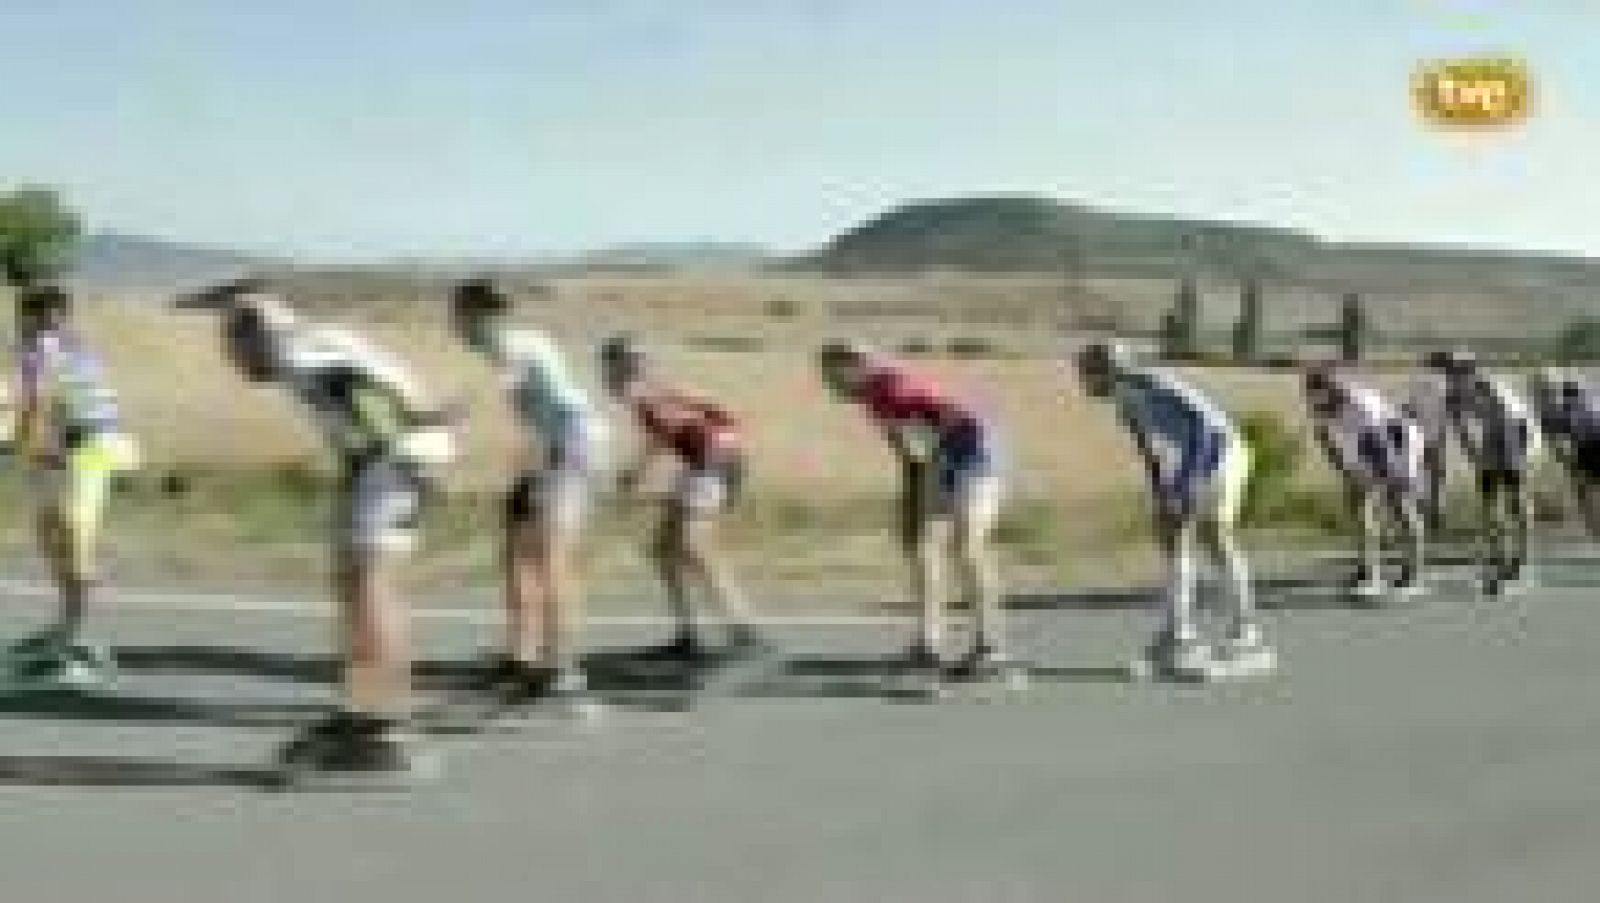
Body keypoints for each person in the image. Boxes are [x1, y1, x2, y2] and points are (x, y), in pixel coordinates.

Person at [191, 280, 456, 782]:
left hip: (394, 461)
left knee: (370, 586)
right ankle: (365, 711)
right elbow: (377, 397)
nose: (233, 362)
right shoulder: (310, 343)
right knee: (354, 583)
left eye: (233, 346)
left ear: (257, 334)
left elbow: (365, 396)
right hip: (388, 460)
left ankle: (381, 725)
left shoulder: (299, 354)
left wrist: (408, 454)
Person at [815, 342, 1015, 693]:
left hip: (976, 449)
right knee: (923, 547)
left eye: (831, 375)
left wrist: (933, 476)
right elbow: (907, 452)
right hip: (943, 455)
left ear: (853, 367)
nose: (828, 384)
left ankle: (990, 648)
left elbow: (951, 424)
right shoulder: (872, 397)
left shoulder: (890, 386)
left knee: (967, 544)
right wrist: (916, 496)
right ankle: (929, 646)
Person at [449, 278, 607, 716]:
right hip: (549, 445)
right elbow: (528, 408)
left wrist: (449, 415)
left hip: (571, 442)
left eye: (456, 314)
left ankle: (564, 672)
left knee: (551, 555)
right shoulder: (505, 341)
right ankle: (522, 657)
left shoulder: (510, 342)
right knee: (517, 550)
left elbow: (507, 381)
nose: (452, 324)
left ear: (473, 314)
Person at [1074, 341, 1275, 680]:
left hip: (1223, 453)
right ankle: (1180, 637)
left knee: (1214, 538)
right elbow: (1150, 453)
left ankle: (1246, 636)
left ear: (1105, 371)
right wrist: (1163, 495)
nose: (1083, 384)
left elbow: (1205, 429)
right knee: (1174, 537)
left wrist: (1187, 484)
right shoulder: (1124, 405)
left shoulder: (1154, 384)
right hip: (1195, 459)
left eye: (1086, 375)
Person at [599, 334, 770, 668]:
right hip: (708, 461)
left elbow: (664, 434)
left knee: (694, 546)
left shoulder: (643, 392)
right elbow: (711, 411)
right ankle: (688, 636)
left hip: (712, 461)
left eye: (613, 366)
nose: (609, 376)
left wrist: (634, 474)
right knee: (665, 550)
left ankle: (745, 633)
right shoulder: (656, 388)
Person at [2, 284, 140, 691]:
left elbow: (38, 402)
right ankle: (66, 630)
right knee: (53, 534)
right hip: (74, 448)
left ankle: (74, 647)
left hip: (91, 449)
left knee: (71, 542)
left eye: (43, 315)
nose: (40, 324)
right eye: (38, 315)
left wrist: (15, 442)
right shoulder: (65, 348)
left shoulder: (42, 346)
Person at [1301, 362, 1427, 597]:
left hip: (1398, 445)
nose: (1310, 399)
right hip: (1365, 445)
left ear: (1331, 388)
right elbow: (1327, 443)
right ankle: (1368, 569)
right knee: (1358, 505)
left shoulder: (1360, 405)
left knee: (1399, 506)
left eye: (1314, 392)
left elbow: (1379, 448)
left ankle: (1413, 573)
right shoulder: (1321, 405)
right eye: (1308, 393)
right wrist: (1346, 473)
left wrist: (1370, 479)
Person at [1423, 349, 1541, 594]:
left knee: (1515, 499)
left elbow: (1509, 425)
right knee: (1489, 500)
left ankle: (1524, 562)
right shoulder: (1452, 394)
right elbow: (1459, 426)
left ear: (1469, 369)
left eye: (1454, 370)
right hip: (1493, 434)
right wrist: (1473, 454)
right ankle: (1499, 557)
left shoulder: (1488, 385)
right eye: (1446, 371)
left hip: (1516, 430)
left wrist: (1496, 457)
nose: (1449, 375)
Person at [1529, 367, 1600, 538]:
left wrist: (1561, 455)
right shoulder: (1593, 401)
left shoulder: (1567, 410)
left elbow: (1555, 432)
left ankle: (1592, 527)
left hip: (1588, 448)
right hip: (1590, 445)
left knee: (1580, 486)